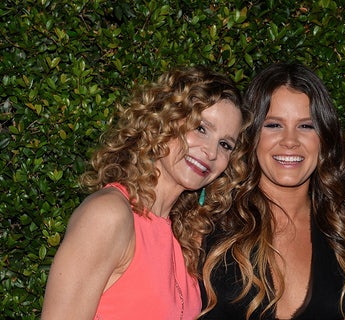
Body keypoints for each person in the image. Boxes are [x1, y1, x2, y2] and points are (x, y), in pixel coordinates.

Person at [41, 66, 247, 320]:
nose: (211, 152)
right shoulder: (109, 215)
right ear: (165, 120)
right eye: (201, 128)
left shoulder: (184, 236)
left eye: (225, 144)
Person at [199, 62, 345, 320]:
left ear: (324, 138)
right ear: (251, 135)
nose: (290, 141)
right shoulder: (208, 221)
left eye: (306, 126)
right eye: (273, 125)